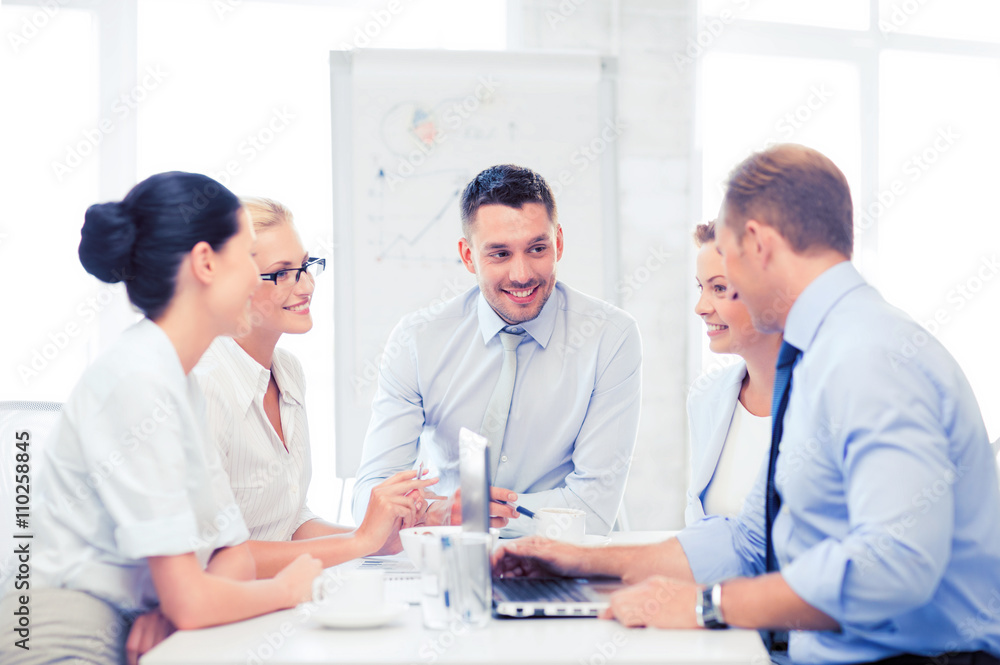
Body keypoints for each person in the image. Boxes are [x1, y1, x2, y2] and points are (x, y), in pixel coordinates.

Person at [494, 145, 1000, 664]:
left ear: (757, 244)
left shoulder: (867, 356)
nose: (711, 294)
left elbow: (894, 567)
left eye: (728, 260)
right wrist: (583, 561)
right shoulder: (817, 355)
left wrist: (707, 606)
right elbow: (751, 542)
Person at [0, 173, 322, 665]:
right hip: (66, 630)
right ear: (206, 263)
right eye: (248, 260)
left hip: (143, 625)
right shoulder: (138, 380)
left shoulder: (180, 379)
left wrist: (184, 606)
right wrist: (286, 588)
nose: (259, 286)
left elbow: (230, 554)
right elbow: (194, 597)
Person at [352, 164, 642, 536]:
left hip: (564, 561)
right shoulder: (417, 341)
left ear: (560, 244)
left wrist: (458, 511)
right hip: (450, 558)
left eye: (538, 248)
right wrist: (443, 514)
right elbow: (370, 499)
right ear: (469, 256)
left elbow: (592, 510)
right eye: (500, 254)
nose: (521, 274)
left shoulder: (611, 338)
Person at [194, 197, 435, 578]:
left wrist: (377, 538)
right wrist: (359, 542)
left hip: (267, 599)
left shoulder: (288, 371)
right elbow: (211, 559)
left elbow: (288, 524)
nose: (306, 285)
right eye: (283, 273)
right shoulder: (205, 386)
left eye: (305, 266)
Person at [686, 221, 782, 524]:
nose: (701, 307)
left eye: (719, 288)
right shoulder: (706, 396)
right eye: (701, 287)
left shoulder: (826, 399)